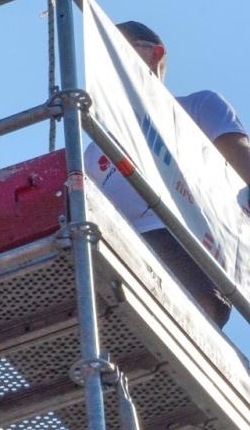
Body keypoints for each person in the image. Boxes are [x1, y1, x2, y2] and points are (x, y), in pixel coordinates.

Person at [86, 20, 250, 327]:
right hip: (120, 254)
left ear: (154, 54)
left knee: (190, 326)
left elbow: (241, 160)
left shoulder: (198, 106)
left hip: (187, 243)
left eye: (117, 50)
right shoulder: (95, 148)